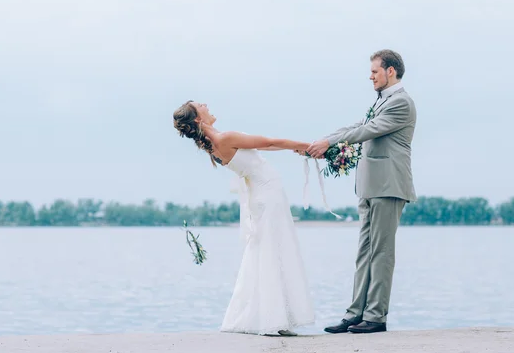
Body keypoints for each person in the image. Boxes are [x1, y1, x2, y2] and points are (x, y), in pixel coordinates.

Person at [173, 100, 315, 336]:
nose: (206, 105)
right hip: (267, 195)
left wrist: (296, 148)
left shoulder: (214, 143)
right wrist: (308, 145)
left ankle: (271, 316)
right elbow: (269, 141)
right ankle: (274, 319)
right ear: (197, 118)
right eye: (200, 105)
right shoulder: (224, 139)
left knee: (266, 254)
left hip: (262, 197)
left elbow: (263, 146)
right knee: (273, 253)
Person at [307, 49, 417, 334]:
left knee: (381, 252)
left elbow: (368, 131)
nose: (370, 77)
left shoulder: (401, 103)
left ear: (390, 71)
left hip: (388, 185)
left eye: (374, 72)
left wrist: (329, 143)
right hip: (369, 186)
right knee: (364, 252)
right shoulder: (382, 100)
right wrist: (327, 140)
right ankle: (355, 313)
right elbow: (359, 125)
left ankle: (376, 316)